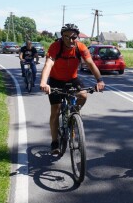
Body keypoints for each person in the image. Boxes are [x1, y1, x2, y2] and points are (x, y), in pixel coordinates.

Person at [39, 23, 106, 154]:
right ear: (62, 36)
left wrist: (100, 80)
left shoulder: (80, 47)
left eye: (73, 37)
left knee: (83, 95)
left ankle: (73, 115)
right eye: (67, 36)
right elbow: (48, 64)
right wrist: (43, 82)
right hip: (56, 80)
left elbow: (90, 63)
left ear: (77, 37)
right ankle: (54, 142)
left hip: (72, 79)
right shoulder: (55, 47)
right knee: (55, 111)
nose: (70, 40)